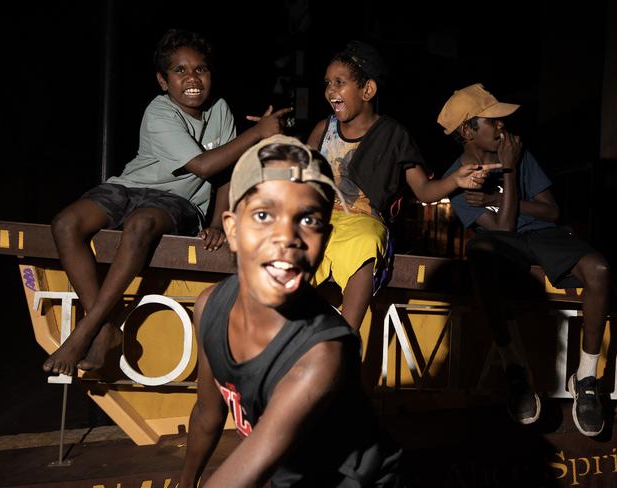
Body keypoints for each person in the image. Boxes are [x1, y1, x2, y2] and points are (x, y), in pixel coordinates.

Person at [44, 28, 291, 375]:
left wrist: (219, 221)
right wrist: (259, 132)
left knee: (141, 224)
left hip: (178, 202)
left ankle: (85, 332)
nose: (192, 78)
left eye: (200, 69)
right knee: (65, 223)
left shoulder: (220, 110)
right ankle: (100, 329)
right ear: (163, 81)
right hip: (129, 186)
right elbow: (203, 164)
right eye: (180, 71)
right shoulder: (158, 113)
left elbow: (223, 173)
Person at [179, 135, 405, 487]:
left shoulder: (323, 353)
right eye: (264, 214)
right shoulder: (209, 306)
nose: (287, 236)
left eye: (309, 220)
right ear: (232, 230)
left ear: (325, 240)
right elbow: (209, 413)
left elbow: (249, 471)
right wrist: (185, 480)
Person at [438, 83, 610, 436]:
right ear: (467, 130)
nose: (503, 126)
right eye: (493, 121)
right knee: (481, 256)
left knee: (600, 269)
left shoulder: (517, 152)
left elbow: (551, 212)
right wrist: (510, 178)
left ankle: (588, 378)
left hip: (544, 236)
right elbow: (502, 229)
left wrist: (497, 192)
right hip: (501, 243)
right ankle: (516, 370)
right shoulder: (455, 179)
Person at [307, 40, 500, 329]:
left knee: (366, 244)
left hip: (362, 221)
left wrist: (455, 181)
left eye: (339, 82)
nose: (330, 90)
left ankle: (345, 343)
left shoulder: (393, 135)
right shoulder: (323, 129)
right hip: (320, 218)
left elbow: (423, 190)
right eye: (327, 83)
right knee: (295, 243)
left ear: (367, 90)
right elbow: (299, 173)